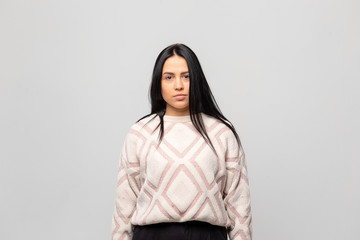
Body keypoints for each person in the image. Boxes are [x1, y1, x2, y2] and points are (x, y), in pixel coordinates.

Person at [111, 43, 252, 240]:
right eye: (169, 77)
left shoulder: (221, 132)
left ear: (197, 80)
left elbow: (239, 208)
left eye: (186, 76)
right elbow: (124, 207)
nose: (179, 85)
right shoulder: (141, 133)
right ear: (158, 83)